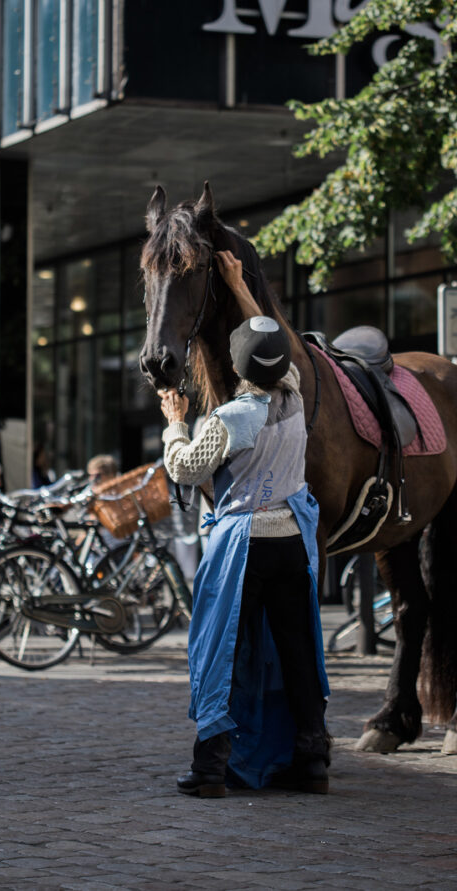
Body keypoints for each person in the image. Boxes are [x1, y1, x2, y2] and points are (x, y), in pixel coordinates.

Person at [159, 250, 330, 798]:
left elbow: (185, 469)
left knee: (223, 651)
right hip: (292, 544)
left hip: (243, 548)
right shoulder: (295, 395)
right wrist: (240, 288)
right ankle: (312, 760)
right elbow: (272, 340)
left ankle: (210, 768)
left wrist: (175, 424)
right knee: (298, 649)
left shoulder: (231, 419)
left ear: (236, 368)